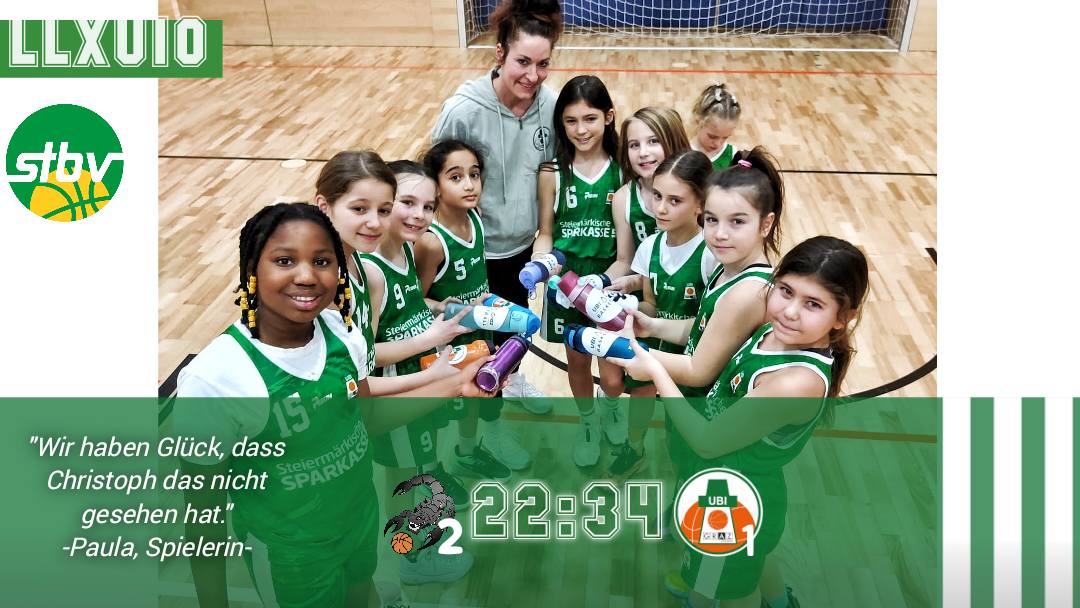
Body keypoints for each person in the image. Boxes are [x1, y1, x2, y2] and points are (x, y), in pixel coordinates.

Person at [175, 202, 494, 608]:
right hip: (290, 557)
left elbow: (365, 418)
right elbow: (203, 516)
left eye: (322, 261)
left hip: (358, 523)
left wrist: (454, 386)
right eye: (284, 260)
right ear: (252, 269)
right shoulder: (215, 378)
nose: (307, 276)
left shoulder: (343, 335)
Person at [611, 235, 869, 608]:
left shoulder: (796, 382)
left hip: (733, 505)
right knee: (753, 560)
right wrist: (653, 329)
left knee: (714, 592)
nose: (790, 311)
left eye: (813, 304)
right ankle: (781, 603)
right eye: (785, 291)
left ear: (844, 318)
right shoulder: (773, 333)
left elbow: (706, 441)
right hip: (728, 483)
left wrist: (655, 371)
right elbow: (703, 335)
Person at [609, 147, 784, 487]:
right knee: (683, 470)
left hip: (713, 416)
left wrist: (639, 355)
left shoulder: (748, 291)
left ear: (766, 224)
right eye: (712, 220)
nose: (720, 233)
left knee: (702, 488)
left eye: (737, 222)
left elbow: (698, 369)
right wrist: (654, 326)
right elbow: (703, 329)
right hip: (696, 405)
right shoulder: (729, 269)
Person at [431, 0, 564, 403]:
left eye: (543, 64)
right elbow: (434, 177)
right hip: (474, 252)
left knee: (513, 331)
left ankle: (511, 381)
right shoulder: (463, 111)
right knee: (471, 341)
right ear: (500, 53)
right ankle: (474, 413)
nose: (532, 76)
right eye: (523, 62)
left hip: (521, 247)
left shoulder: (551, 106)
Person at [414, 141, 528, 473]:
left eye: (474, 175)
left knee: (478, 398)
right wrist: (441, 308)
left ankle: (466, 452)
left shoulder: (475, 218)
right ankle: (431, 470)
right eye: (456, 177)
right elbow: (415, 299)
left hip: (479, 329)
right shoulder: (431, 242)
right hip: (447, 341)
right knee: (443, 411)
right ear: (436, 186)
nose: (469, 184)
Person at [533, 74, 625, 466]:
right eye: (571, 121)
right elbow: (545, 233)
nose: (581, 129)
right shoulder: (551, 171)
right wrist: (539, 266)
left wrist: (615, 280)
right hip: (566, 283)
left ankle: (610, 405)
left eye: (589, 119)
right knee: (578, 360)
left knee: (613, 370)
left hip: (609, 280)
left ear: (608, 117)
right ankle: (587, 421)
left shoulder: (623, 170)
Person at [607, 150, 716, 480]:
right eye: (657, 196)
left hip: (694, 356)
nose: (661, 208)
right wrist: (623, 309)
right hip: (656, 344)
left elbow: (713, 322)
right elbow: (651, 305)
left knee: (684, 434)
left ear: (700, 205)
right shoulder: (649, 247)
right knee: (641, 398)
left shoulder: (710, 254)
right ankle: (634, 447)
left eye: (675, 200)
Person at [608, 107, 691, 295]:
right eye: (634, 145)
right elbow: (624, 261)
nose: (643, 152)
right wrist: (597, 283)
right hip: (644, 301)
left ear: (674, 141)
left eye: (653, 141)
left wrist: (637, 281)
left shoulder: (697, 192)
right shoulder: (623, 198)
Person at [690, 83, 742, 170]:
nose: (718, 144)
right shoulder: (682, 152)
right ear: (697, 122)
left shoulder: (732, 155)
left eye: (725, 137)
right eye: (712, 137)